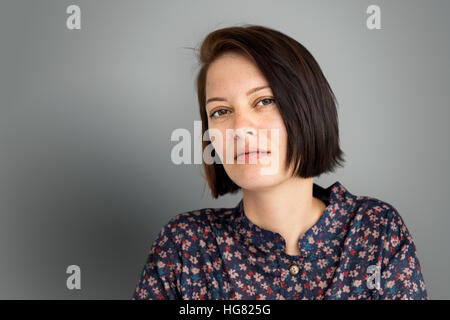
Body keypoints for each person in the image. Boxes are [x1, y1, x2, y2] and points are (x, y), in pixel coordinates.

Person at [132, 24, 427, 300]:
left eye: (264, 101)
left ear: (307, 109)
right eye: (221, 111)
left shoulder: (376, 232)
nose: (240, 129)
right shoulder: (185, 245)